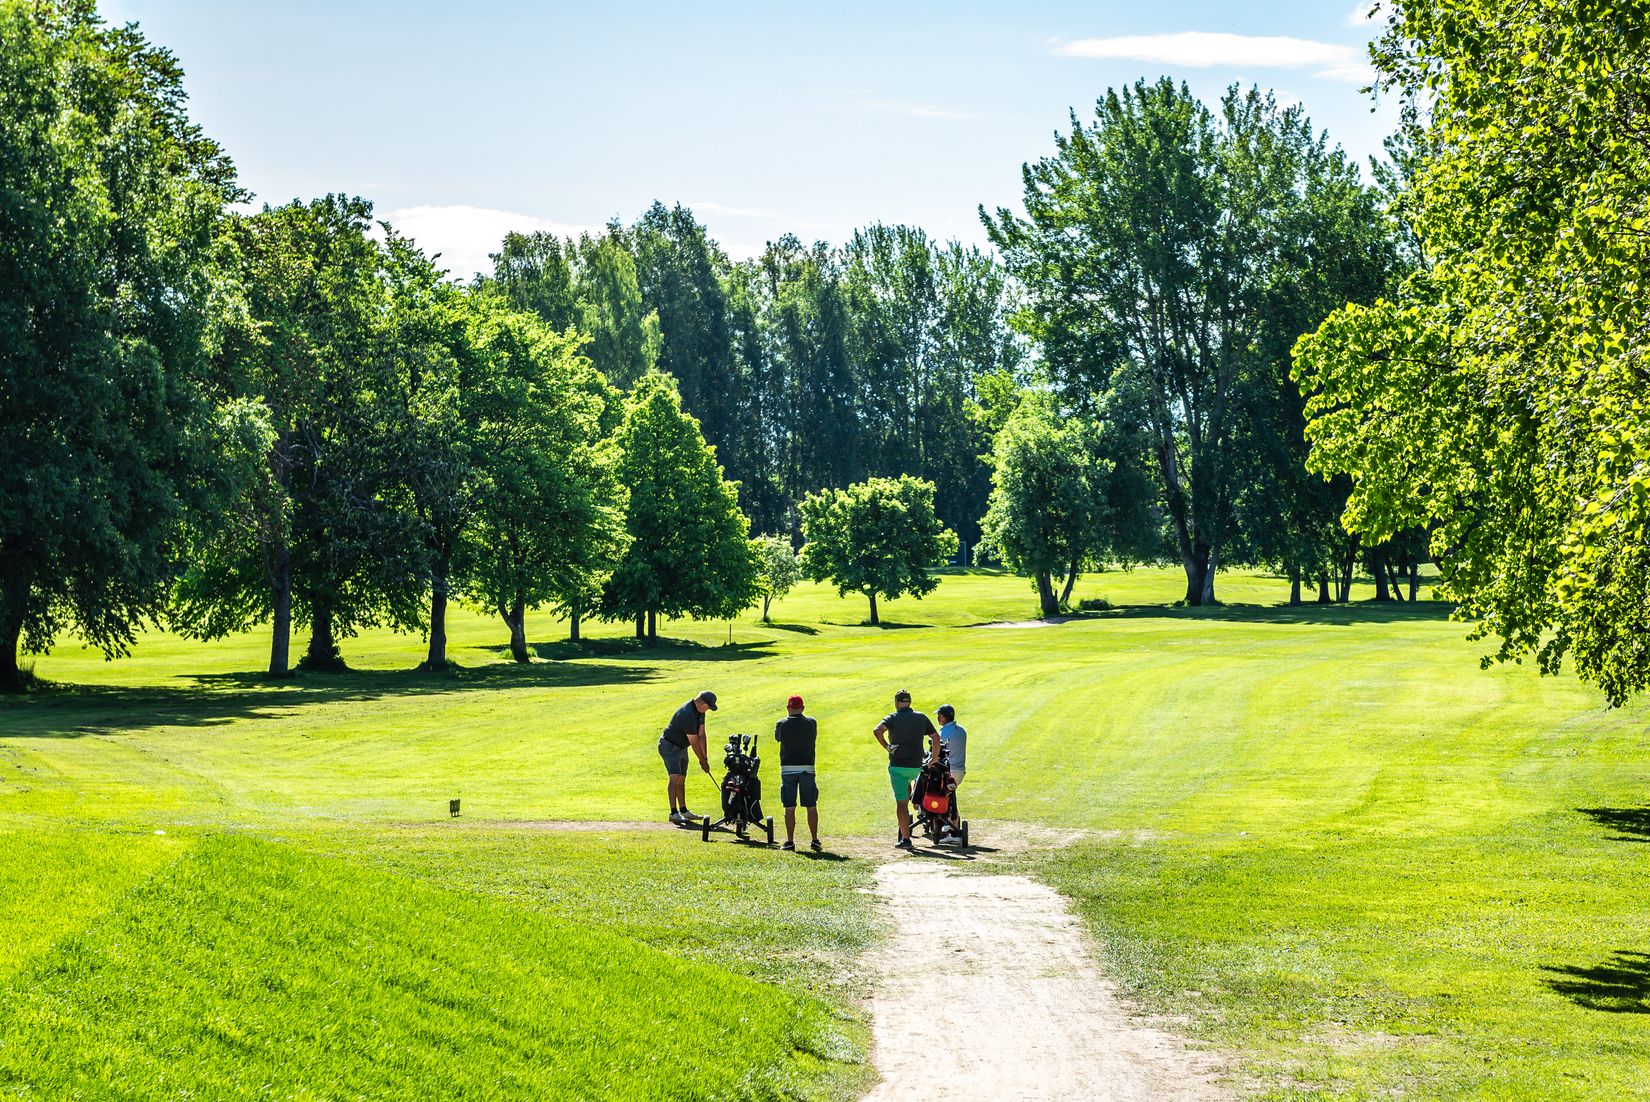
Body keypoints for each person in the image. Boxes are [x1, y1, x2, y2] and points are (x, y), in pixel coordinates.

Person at [873, 688, 937, 850]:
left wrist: (887, 747)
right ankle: (916, 803)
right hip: (916, 766)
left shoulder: (893, 718)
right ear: (909, 703)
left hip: (898, 766)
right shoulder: (921, 717)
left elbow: (877, 730)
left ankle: (906, 839)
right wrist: (934, 758)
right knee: (910, 786)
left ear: (896, 703)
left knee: (901, 804)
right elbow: (935, 737)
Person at [774, 694, 822, 852]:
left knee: (789, 807)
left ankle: (790, 841)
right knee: (811, 805)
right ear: (802, 708)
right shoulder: (811, 723)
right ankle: (814, 840)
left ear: (788, 708)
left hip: (788, 769)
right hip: (807, 768)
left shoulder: (781, 724)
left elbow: (777, 738)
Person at [660, 690, 715, 823]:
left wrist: (705, 758)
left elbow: (701, 734)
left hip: (681, 746)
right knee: (674, 777)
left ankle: (683, 810)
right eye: (708, 707)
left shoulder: (700, 712)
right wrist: (702, 761)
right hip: (669, 746)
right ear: (702, 703)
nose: (707, 710)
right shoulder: (688, 714)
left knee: (682, 778)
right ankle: (674, 813)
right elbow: (694, 741)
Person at [937, 703, 967, 837]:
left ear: (943, 717)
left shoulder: (943, 733)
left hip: (949, 771)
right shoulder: (961, 730)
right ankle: (953, 828)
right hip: (960, 771)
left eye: (939, 716)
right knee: (950, 798)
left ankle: (949, 832)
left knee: (943, 798)